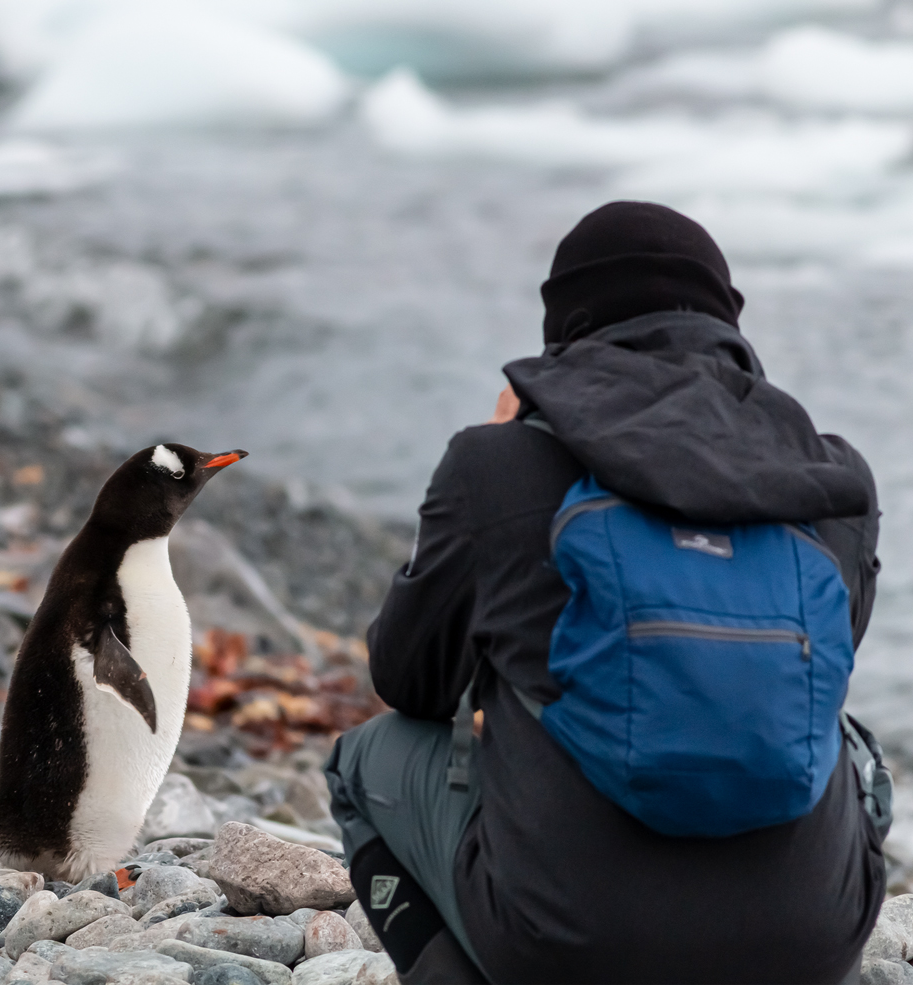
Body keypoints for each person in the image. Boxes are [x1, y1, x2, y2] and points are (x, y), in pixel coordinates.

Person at [324, 201, 888, 984]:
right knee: (857, 746)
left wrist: (494, 456)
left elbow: (408, 680)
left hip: (566, 943)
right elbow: (815, 680)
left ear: (566, 324)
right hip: (811, 940)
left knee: (361, 759)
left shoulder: (497, 467)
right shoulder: (833, 477)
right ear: (730, 322)